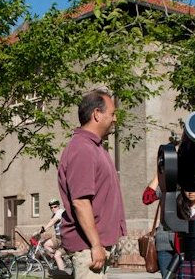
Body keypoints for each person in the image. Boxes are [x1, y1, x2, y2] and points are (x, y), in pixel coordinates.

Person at [57, 88, 126, 279]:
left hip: (95, 247)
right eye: (112, 114)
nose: (115, 119)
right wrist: (96, 245)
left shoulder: (96, 147)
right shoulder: (82, 149)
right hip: (89, 248)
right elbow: (80, 202)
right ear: (96, 114)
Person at [141, 175, 175, 278]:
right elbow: (147, 198)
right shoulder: (165, 183)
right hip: (165, 242)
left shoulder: (191, 184)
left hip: (186, 242)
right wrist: (159, 173)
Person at [36, 198, 68, 273]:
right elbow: (50, 223)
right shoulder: (54, 214)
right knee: (45, 244)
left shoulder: (60, 212)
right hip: (57, 238)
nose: (53, 209)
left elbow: (53, 222)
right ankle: (59, 259)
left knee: (57, 255)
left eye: (55, 206)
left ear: (58, 206)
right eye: (51, 207)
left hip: (64, 238)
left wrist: (44, 229)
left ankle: (62, 275)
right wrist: (38, 231)